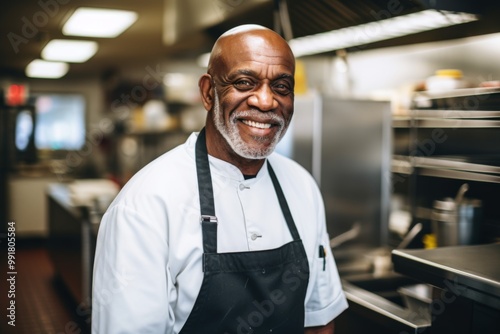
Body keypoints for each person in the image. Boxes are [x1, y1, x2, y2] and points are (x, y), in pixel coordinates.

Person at [92, 24, 348, 334]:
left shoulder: (302, 186)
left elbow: (318, 320)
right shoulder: (144, 206)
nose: (265, 102)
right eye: (244, 82)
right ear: (207, 92)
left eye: (281, 86)